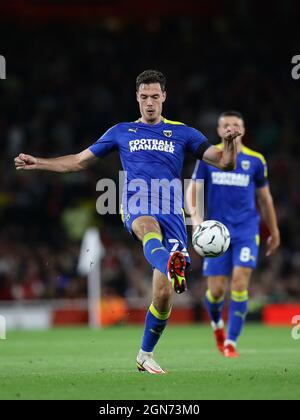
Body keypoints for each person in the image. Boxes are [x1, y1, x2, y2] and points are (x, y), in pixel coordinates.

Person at [14, 70, 240, 373]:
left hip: (172, 211)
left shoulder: (184, 133)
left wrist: (230, 143)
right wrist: (39, 162)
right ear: (137, 97)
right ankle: (172, 263)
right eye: (144, 97)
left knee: (162, 295)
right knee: (148, 228)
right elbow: (79, 161)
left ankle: (145, 354)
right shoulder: (121, 131)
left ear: (164, 97)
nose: (149, 103)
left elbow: (225, 161)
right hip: (136, 202)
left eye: (155, 97)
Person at [186, 111, 280, 358]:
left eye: (235, 124)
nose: (231, 128)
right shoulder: (209, 157)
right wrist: (196, 222)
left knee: (239, 282)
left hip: (246, 230)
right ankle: (217, 324)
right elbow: (192, 191)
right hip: (216, 236)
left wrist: (274, 230)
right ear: (219, 131)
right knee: (216, 291)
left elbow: (265, 198)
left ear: (243, 130)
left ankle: (231, 342)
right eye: (226, 124)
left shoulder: (256, 160)